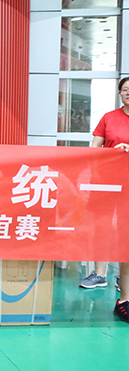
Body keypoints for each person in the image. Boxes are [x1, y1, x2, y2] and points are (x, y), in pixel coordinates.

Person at [78, 77, 129, 322]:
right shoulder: (108, 118)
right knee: (102, 227)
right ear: (120, 93)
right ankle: (99, 274)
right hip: (107, 182)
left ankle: (124, 279)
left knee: (126, 232)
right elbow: (94, 149)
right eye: (125, 89)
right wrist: (112, 153)